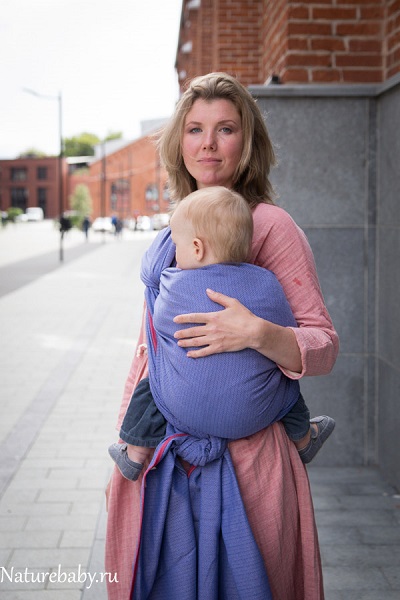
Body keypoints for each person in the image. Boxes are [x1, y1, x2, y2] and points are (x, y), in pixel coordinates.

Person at [105, 72, 339, 600]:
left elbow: (323, 344)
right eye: (195, 129)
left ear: (247, 143)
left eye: (225, 129)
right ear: (179, 142)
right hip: (166, 462)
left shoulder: (270, 226)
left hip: (251, 466)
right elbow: (150, 352)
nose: (208, 143)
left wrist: (257, 332)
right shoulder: (175, 230)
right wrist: (127, 442)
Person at [108, 186, 335, 481]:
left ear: (197, 248)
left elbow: (156, 317)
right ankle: (304, 438)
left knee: (153, 382)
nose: (174, 251)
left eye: (176, 245)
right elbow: (287, 323)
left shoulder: (172, 284)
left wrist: (253, 333)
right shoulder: (267, 282)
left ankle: (136, 452)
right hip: (257, 415)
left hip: (183, 412)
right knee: (286, 387)